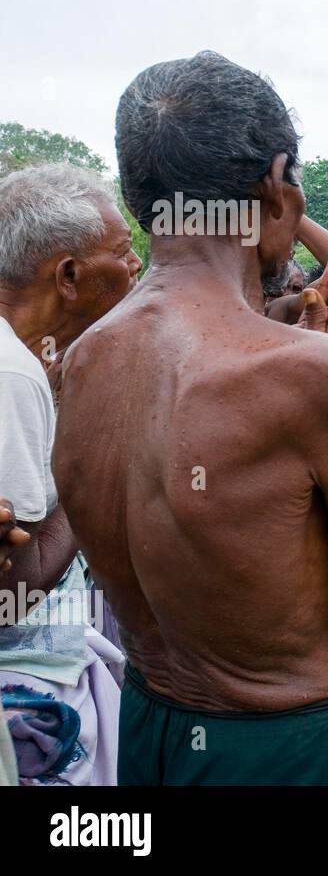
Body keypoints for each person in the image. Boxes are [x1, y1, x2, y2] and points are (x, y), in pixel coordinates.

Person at [54, 51, 328, 785]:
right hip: (295, 745)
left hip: (151, 726)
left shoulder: (83, 359)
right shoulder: (313, 373)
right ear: (275, 182)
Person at [0, 163, 141, 784]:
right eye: (122, 251)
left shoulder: (24, 359)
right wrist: (97, 462)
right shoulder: (12, 373)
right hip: (29, 693)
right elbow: (17, 587)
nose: (134, 266)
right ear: (69, 276)